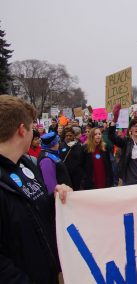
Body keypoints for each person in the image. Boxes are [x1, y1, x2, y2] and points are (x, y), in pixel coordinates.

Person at [0, 95, 71, 283]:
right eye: (32, 127)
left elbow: (34, 209)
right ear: (22, 130)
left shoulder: (26, 164)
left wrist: (55, 198)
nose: (34, 133)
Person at [59, 126, 84, 191]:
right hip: (66, 174)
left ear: (74, 136)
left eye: (70, 135)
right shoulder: (61, 146)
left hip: (77, 175)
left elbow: (82, 160)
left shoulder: (79, 146)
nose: (68, 137)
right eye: (67, 135)